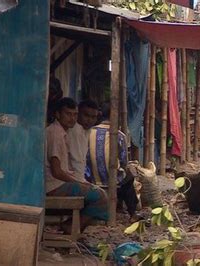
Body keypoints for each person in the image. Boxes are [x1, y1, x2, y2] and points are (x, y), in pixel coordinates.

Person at [46, 97, 108, 234]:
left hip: (60, 182)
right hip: (54, 185)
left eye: (74, 114)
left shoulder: (63, 132)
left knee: (100, 195)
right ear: (57, 114)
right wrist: (79, 183)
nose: (72, 118)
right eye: (68, 114)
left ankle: (72, 227)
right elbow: (57, 171)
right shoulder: (56, 134)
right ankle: (72, 229)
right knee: (101, 197)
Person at [86, 103, 139, 221]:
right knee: (129, 176)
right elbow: (124, 162)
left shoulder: (89, 132)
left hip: (90, 179)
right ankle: (133, 213)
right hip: (113, 181)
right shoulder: (119, 136)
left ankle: (119, 206)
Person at [67, 100, 99, 181]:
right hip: (71, 178)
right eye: (86, 115)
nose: (89, 120)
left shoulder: (87, 131)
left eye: (93, 117)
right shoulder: (75, 130)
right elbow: (77, 162)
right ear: (78, 114)